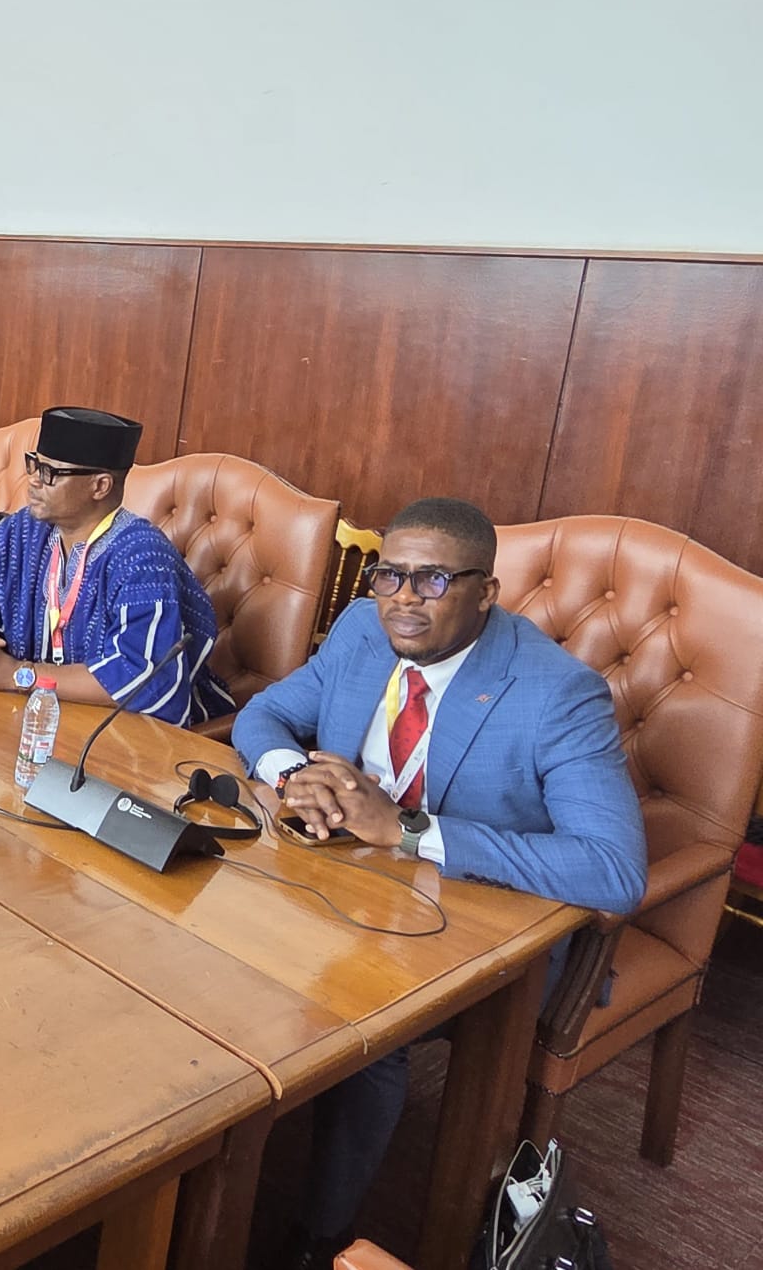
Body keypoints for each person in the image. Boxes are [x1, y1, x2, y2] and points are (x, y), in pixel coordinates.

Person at [234, 496, 647, 1269]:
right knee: (219, 937)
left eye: (432, 580)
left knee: (366, 1028)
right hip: (343, 882)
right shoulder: (362, 630)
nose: (403, 599)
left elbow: (613, 869)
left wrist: (406, 830)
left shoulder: (559, 692)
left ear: (486, 593)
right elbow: (265, 716)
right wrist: (295, 778)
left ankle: (319, 1237)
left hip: (483, 922)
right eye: (389, 576)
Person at [0, 407, 231, 726]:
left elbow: (141, 676)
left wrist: (16, 675)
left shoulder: (142, 558)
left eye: (50, 472)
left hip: (125, 732)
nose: (33, 480)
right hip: (37, 714)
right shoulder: (24, 529)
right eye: (34, 464)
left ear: (99, 486)